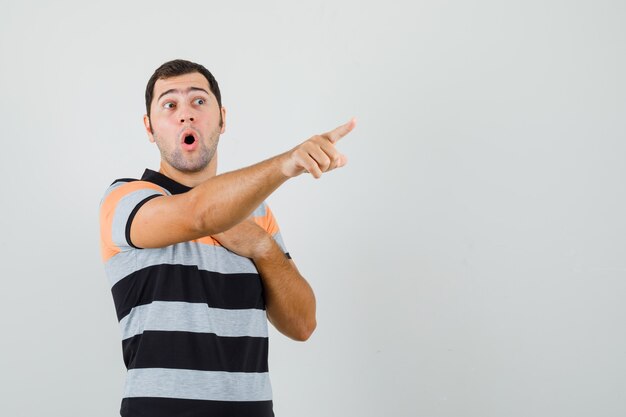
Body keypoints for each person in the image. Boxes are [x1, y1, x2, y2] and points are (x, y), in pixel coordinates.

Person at [99, 59, 356, 417]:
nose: (186, 115)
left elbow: (302, 325)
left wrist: (263, 248)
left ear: (222, 118)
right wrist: (286, 163)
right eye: (169, 105)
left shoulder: (258, 213)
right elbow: (199, 214)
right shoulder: (126, 199)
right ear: (150, 126)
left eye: (199, 102)